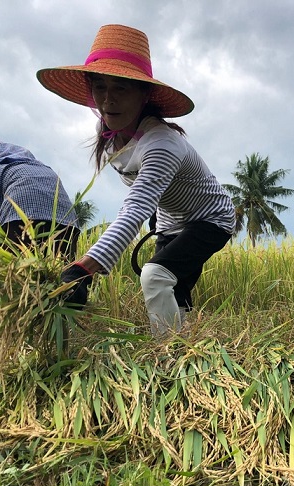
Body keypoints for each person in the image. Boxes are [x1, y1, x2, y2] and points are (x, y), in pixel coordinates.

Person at [36, 24, 235, 335]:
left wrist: (84, 268)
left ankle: (167, 354)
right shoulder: (111, 138)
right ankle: (188, 346)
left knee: (155, 276)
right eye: (99, 86)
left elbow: (136, 206)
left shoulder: (161, 144)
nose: (107, 100)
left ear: (145, 94)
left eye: (121, 88)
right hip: (172, 221)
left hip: (211, 218)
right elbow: (148, 196)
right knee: (174, 289)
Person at [0, 140, 80, 259]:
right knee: (64, 271)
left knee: (18, 268)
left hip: (21, 222)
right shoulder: (45, 168)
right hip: (68, 225)